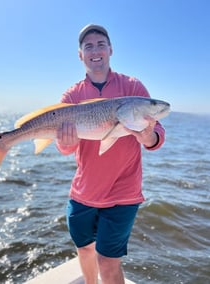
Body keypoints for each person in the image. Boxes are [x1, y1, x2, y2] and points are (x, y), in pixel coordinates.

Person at [56, 24, 165, 284]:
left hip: (122, 194)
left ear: (110, 50)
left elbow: (157, 133)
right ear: (80, 54)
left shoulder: (132, 87)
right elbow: (65, 148)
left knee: (107, 261)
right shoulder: (72, 95)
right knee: (84, 249)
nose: (95, 50)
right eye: (88, 46)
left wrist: (147, 136)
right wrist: (66, 142)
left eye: (101, 44)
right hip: (84, 191)